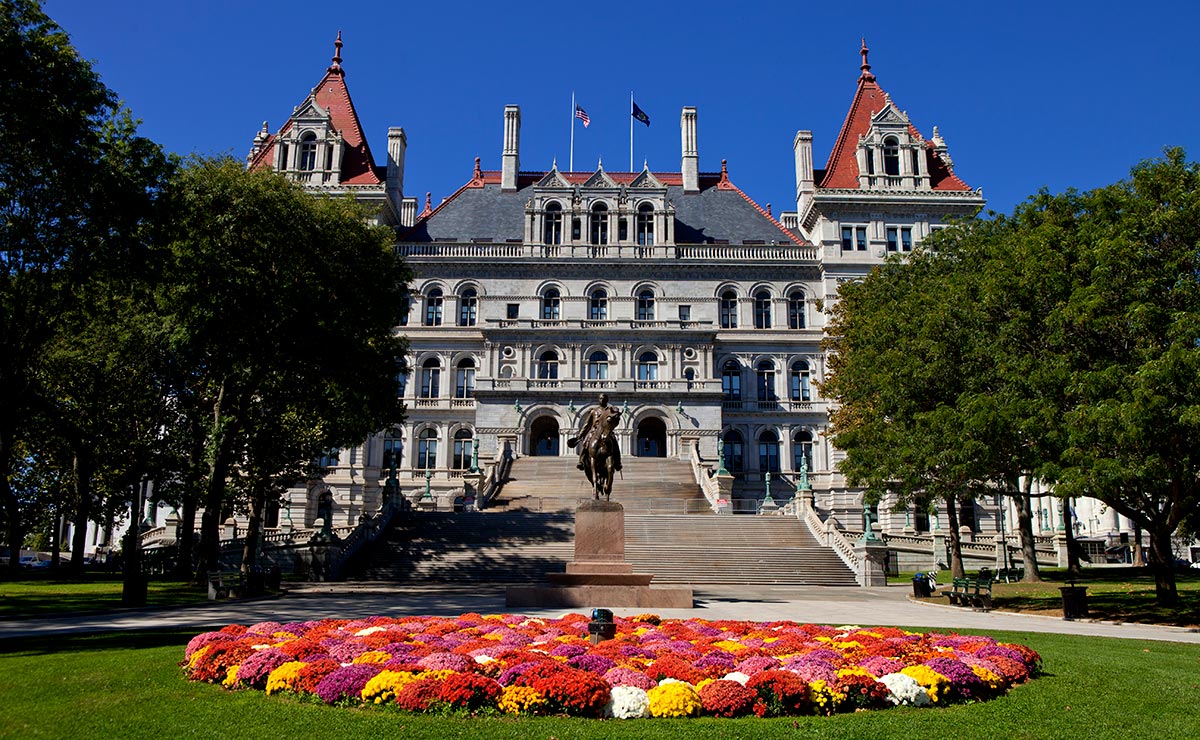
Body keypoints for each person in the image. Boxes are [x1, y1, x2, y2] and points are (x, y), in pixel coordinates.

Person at [568, 394, 622, 472]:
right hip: (594, 430)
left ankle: (618, 463)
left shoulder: (610, 410)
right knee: (585, 442)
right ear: (598, 400)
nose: (602, 400)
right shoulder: (594, 411)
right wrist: (579, 436)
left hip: (606, 431)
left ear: (607, 400)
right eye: (600, 398)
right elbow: (586, 425)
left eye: (604, 399)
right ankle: (581, 461)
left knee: (615, 443)